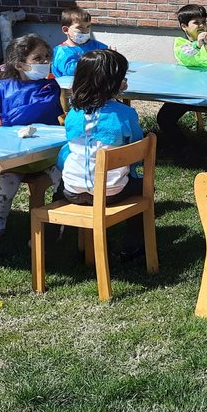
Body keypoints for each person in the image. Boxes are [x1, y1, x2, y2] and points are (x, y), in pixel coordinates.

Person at [0, 34, 65, 247]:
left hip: (47, 157)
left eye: (47, 57)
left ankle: (59, 226)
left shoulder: (50, 88)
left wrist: (2, 119)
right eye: (37, 58)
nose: (45, 62)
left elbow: (39, 110)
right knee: (5, 188)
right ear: (20, 64)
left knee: (64, 184)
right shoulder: (1, 87)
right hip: (13, 159)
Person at [57, 49, 147, 261]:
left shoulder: (73, 115)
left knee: (60, 187)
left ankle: (54, 239)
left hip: (73, 191)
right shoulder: (124, 114)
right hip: (112, 190)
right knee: (144, 187)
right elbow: (137, 151)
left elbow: (66, 153)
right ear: (113, 83)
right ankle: (133, 247)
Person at [157, 4, 207, 140]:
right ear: (184, 26)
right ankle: (183, 147)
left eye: (203, 22)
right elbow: (187, 57)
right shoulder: (180, 43)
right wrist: (197, 44)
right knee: (164, 118)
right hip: (186, 91)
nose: (201, 26)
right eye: (196, 23)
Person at [51, 6, 109, 78]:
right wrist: (97, 62)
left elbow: (107, 54)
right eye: (80, 27)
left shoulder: (94, 45)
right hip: (70, 87)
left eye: (88, 27)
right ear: (66, 30)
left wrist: (111, 53)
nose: (85, 31)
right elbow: (70, 71)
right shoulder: (62, 51)